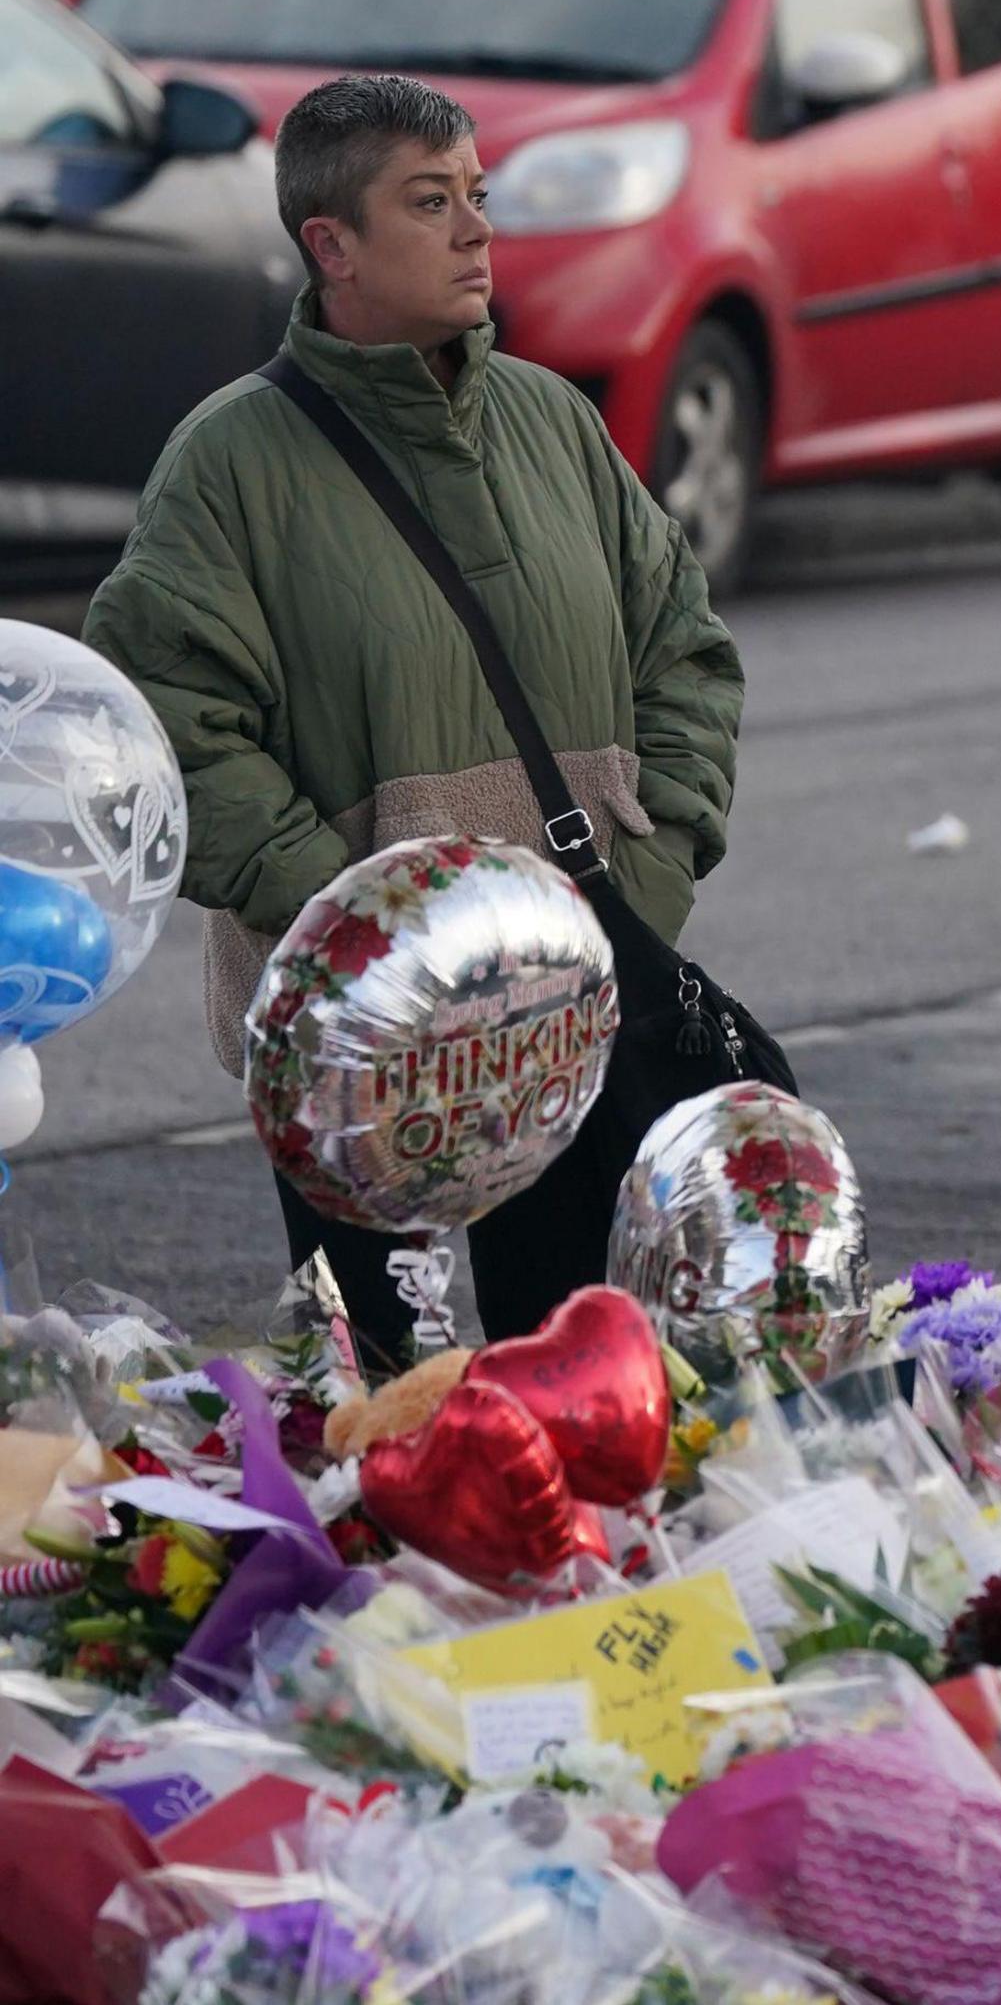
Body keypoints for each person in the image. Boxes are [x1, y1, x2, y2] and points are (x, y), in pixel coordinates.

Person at [84, 75, 743, 1369]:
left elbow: (686, 654)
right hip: (364, 1051)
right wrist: (358, 941)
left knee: (587, 1374)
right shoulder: (228, 466)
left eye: (479, 197)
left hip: (572, 1004)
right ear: (331, 245)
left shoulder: (554, 424)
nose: (475, 231)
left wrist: (645, 879)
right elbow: (169, 731)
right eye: (429, 202)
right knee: (390, 1401)